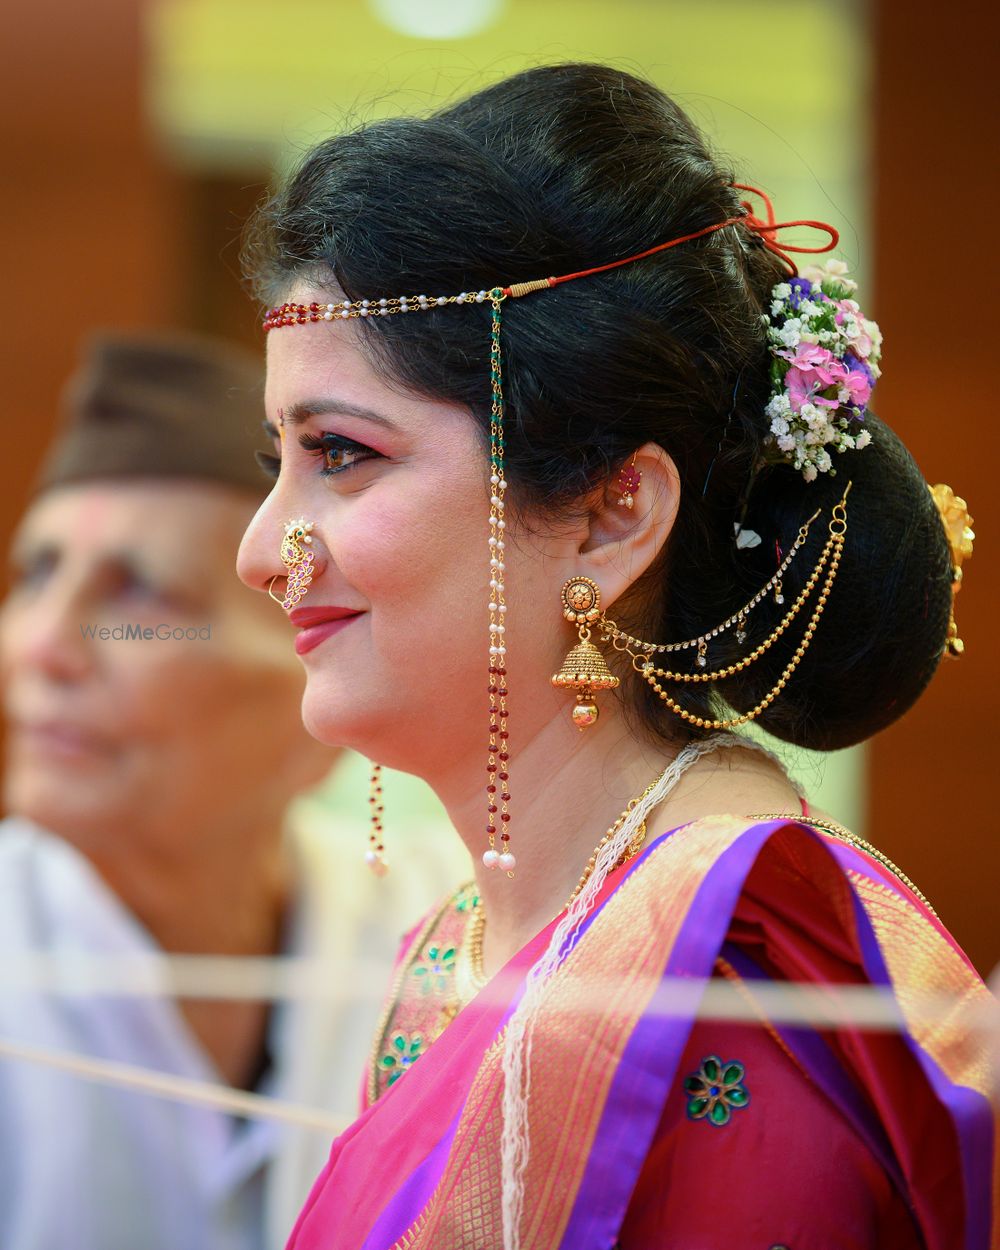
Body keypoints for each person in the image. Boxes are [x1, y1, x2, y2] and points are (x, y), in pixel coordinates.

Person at [236, 64, 996, 1250]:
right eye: (274, 460)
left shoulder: (736, 969)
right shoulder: (460, 945)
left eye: (341, 452)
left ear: (608, 514)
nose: (256, 551)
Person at [0, 332, 458, 1250]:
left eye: (142, 596)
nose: (43, 647)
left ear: (315, 680)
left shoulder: (456, 938)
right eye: (36, 574)